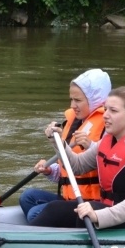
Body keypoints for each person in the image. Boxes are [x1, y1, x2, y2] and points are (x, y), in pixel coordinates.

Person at [32, 86, 125, 229]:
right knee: (54, 209)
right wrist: (58, 142)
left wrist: (97, 215)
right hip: (112, 211)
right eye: (106, 109)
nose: (105, 115)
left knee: (87, 214)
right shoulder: (107, 142)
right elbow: (77, 166)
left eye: (113, 111)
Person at [19, 68, 110, 223]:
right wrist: (50, 171)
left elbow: (109, 169)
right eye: (71, 99)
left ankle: (53, 228)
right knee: (27, 197)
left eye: (78, 100)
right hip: (69, 196)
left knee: (34, 214)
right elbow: (67, 169)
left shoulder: (107, 127)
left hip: (90, 202)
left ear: (95, 99)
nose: (73, 105)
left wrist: (91, 145)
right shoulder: (73, 122)